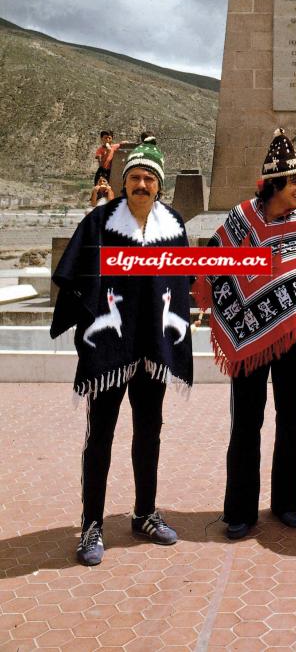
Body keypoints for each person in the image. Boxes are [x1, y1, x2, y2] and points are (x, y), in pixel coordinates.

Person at [51, 137, 193, 566]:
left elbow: (180, 287)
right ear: (124, 181)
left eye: (149, 178)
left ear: (159, 186)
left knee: (149, 433)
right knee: (101, 438)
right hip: (110, 349)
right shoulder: (99, 223)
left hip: (154, 346)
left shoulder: (174, 226)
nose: (141, 184)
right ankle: (91, 524)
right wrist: (88, 315)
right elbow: (74, 274)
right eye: (134, 177)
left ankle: (145, 513)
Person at [192, 129, 296, 540]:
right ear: (274, 184)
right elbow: (215, 268)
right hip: (247, 339)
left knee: (291, 418)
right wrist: (217, 302)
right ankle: (240, 510)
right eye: (295, 181)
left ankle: (288, 502)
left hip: (293, 338)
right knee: (246, 422)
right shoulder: (242, 220)